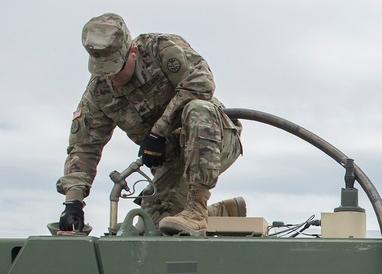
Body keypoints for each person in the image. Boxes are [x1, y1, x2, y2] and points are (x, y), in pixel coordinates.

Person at [57, 13, 243, 236]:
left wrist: (158, 131)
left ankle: (196, 209)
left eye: (116, 68)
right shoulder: (99, 92)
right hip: (172, 163)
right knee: (152, 230)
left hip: (213, 140)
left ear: (133, 52)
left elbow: (201, 83)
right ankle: (219, 213)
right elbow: (84, 146)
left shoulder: (161, 49)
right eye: (103, 71)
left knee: (198, 109)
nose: (111, 77)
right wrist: (73, 202)